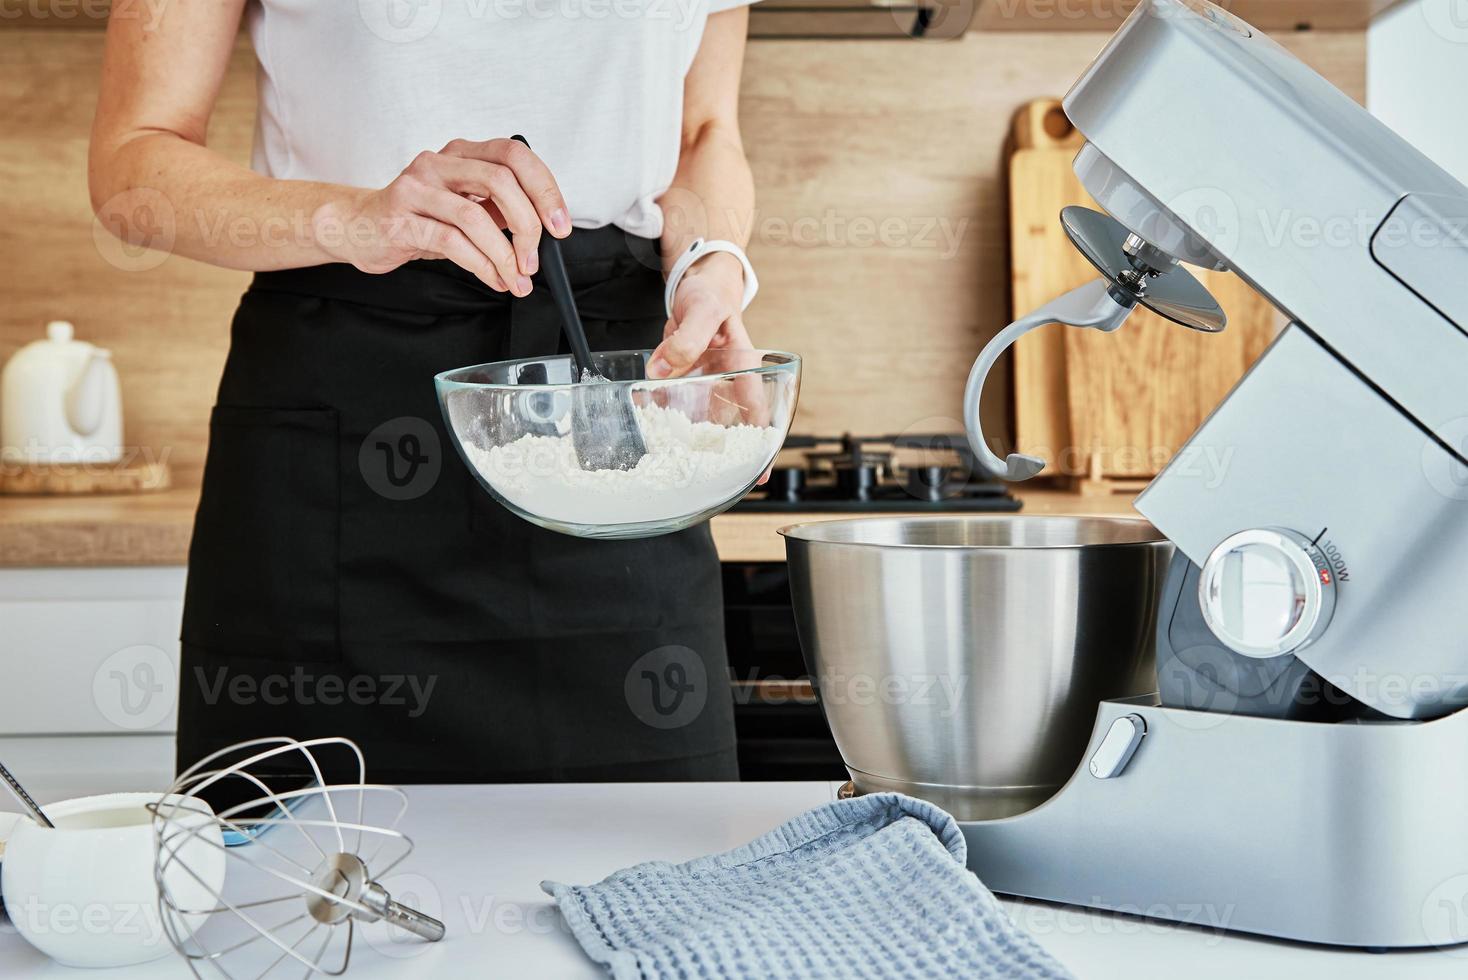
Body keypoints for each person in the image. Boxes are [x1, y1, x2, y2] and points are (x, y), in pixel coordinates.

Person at [89, 0, 762, 782]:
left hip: (606, 422)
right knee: (290, 880)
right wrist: (354, 218)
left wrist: (710, 263)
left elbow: (704, 135)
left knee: (658, 873)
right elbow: (132, 161)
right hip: (343, 418)